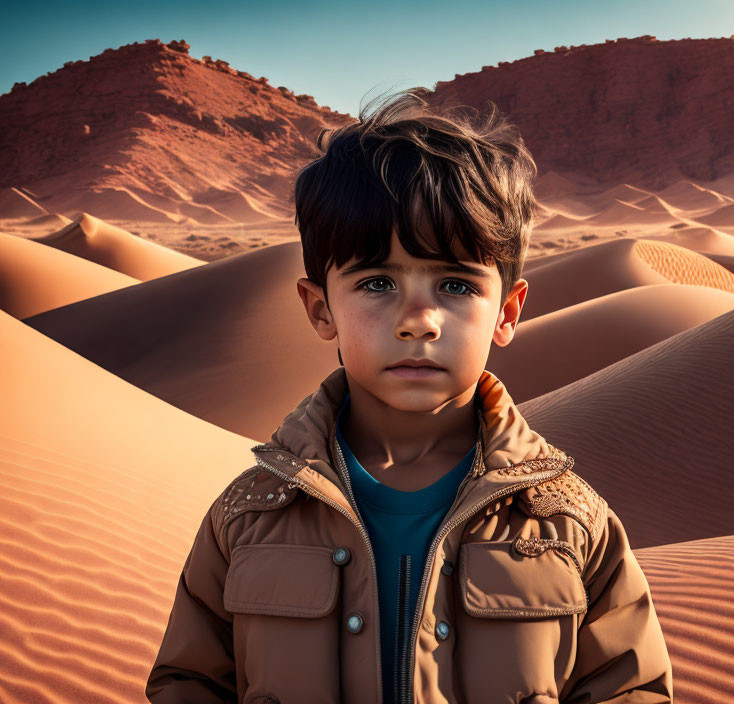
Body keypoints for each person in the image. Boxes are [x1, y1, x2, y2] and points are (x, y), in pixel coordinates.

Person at [145, 89, 673, 704]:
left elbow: (629, 689)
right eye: (376, 283)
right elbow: (190, 682)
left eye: (454, 283)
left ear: (506, 312)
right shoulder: (249, 517)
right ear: (321, 310)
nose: (418, 319)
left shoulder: (570, 523)